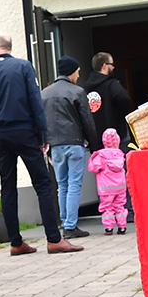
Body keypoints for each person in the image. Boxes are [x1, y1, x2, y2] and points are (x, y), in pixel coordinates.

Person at [0, 35, 82, 256]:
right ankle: (54, 239)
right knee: (43, 184)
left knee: (8, 187)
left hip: (1, 134)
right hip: (25, 132)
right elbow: (36, 103)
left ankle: (16, 242)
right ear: (9, 48)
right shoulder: (23, 66)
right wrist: (43, 136)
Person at [41, 55, 97, 240]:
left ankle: (65, 222)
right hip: (74, 143)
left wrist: (45, 145)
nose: (78, 76)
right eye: (78, 72)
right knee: (74, 184)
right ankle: (71, 226)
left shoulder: (44, 93)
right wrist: (94, 145)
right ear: (71, 71)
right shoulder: (77, 91)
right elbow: (87, 121)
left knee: (62, 185)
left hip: (55, 146)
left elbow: (40, 121)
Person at [81, 52, 134, 152]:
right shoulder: (112, 84)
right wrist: (122, 114)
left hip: (96, 139)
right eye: (111, 64)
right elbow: (125, 98)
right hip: (115, 136)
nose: (113, 67)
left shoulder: (86, 87)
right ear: (104, 66)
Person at [87, 129, 128, 235]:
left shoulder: (101, 155)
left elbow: (93, 168)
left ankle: (109, 228)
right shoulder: (120, 154)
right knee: (120, 206)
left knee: (107, 207)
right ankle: (122, 226)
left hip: (106, 189)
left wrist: (92, 158)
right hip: (120, 187)